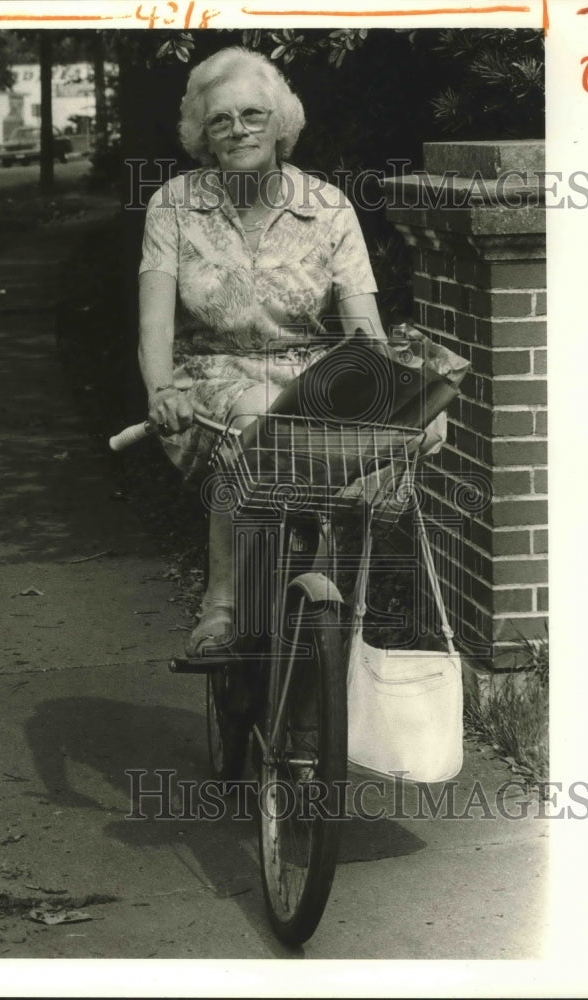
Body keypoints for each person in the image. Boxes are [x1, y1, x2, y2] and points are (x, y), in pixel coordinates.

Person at [137, 46, 388, 656]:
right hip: (211, 386)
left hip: (310, 384)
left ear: (282, 125)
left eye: (252, 114)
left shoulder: (329, 208)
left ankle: (325, 630)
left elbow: (365, 331)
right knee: (253, 414)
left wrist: (402, 394)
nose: (238, 129)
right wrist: (160, 391)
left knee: (342, 455)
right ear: (202, 136)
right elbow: (154, 327)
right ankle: (222, 603)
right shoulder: (173, 205)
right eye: (219, 120)